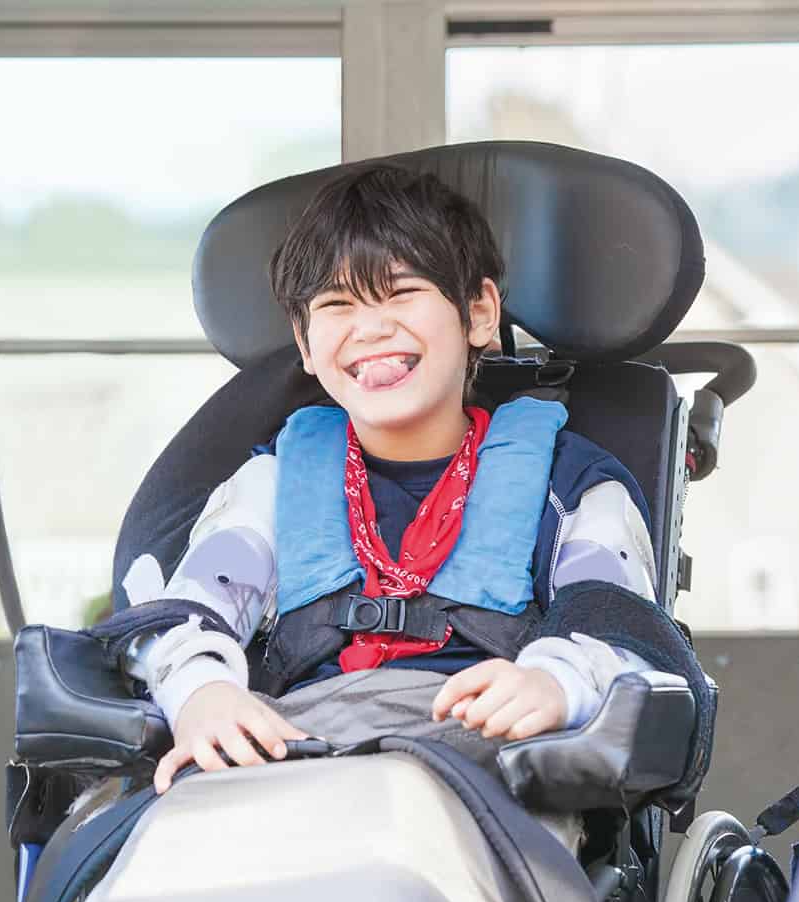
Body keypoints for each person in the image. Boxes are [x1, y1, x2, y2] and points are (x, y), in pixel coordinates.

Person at [123, 164, 667, 794]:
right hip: (297, 768)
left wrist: (556, 682)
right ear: (304, 341)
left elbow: (621, 632)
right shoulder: (274, 485)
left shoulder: (573, 488)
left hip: (486, 777)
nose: (371, 328)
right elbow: (188, 613)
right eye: (336, 305)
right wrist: (202, 693)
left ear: (479, 313)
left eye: (401, 293)